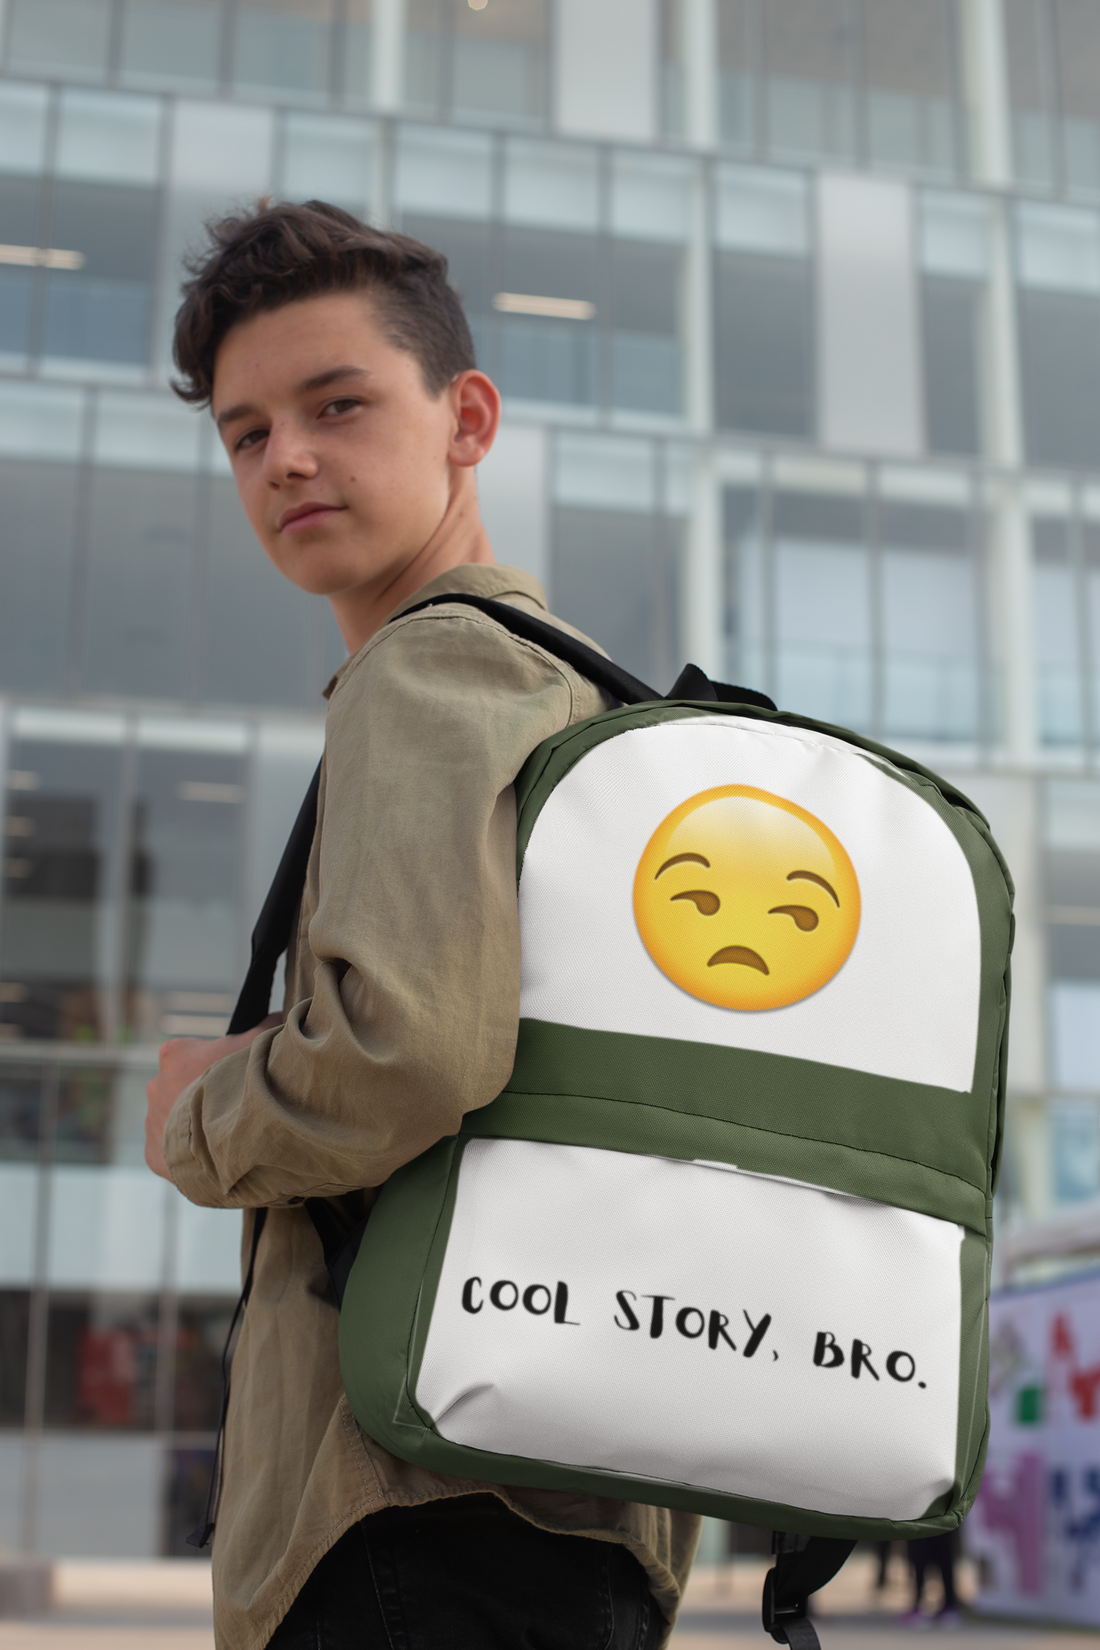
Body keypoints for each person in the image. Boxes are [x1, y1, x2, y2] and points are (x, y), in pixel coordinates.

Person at [143, 199, 701, 1649]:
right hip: (551, 1497)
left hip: (408, 1521)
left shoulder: (434, 662)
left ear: (467, 418)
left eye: (337, 405)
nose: (288, 459)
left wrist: (204, 1107)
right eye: (247, 433)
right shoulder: (564, 684)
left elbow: (408, 1047)